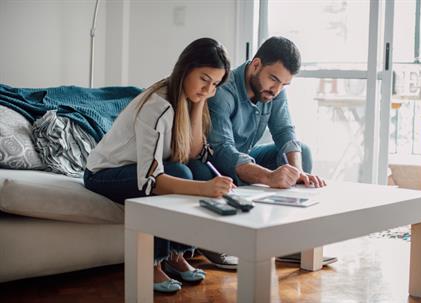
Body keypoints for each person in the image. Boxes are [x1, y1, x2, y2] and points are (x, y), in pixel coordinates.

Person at [83, 38, 234, 293]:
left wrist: (200, 102)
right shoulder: (157, 105)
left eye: (215, 84)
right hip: (103, 174)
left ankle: (175, 254)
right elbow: (150, 179)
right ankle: (152, 262)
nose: (209, 88)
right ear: (186, 69)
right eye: (204, 79)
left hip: (137, 170)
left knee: (198, 169)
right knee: (181, 173)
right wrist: (204, 190)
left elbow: (194, 151)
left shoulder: (188, 97)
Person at [199, 36, 332, 269]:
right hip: (215, 163)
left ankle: (287, 241)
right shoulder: (223, 92)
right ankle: (216, 242)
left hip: (246, 157)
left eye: (284, 85)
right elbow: (222, 151)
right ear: (256, 65)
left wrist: (297, 172)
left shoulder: (275, 90)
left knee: (303, 153)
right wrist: (269, 177)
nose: (277, 89)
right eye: (273, 79)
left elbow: (285, 132)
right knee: (208, 169)